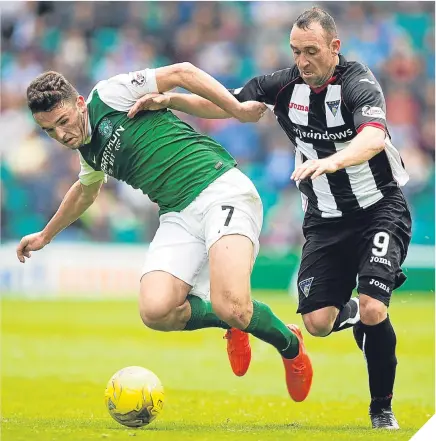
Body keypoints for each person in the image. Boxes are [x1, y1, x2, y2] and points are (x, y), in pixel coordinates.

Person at [138, 7, 412, 430]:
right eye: (296, 51)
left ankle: (381, 410)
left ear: (334, 48)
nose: (302, 61)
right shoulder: (284, 85)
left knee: (377, 308)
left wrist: (333, 161)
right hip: (325, 219)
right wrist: (171, 100)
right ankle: (352, 311)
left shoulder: (359, 84)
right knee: (318, 323)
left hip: (379, 209)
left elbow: (374, 137)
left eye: (312, 51)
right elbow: (229, 102)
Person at [16, 63, 313, 402]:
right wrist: (45, 236)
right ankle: (231, 323)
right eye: (49, 130)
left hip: (219, 188)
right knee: (156, 311)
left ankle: (290, 346)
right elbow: (86, 190)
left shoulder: (109, 94)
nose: (61, 135)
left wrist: (237, 110)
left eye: (63, 121)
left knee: (233, 305)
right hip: (177, 215)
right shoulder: (88, 151)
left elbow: (183, 72)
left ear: (80, 103)